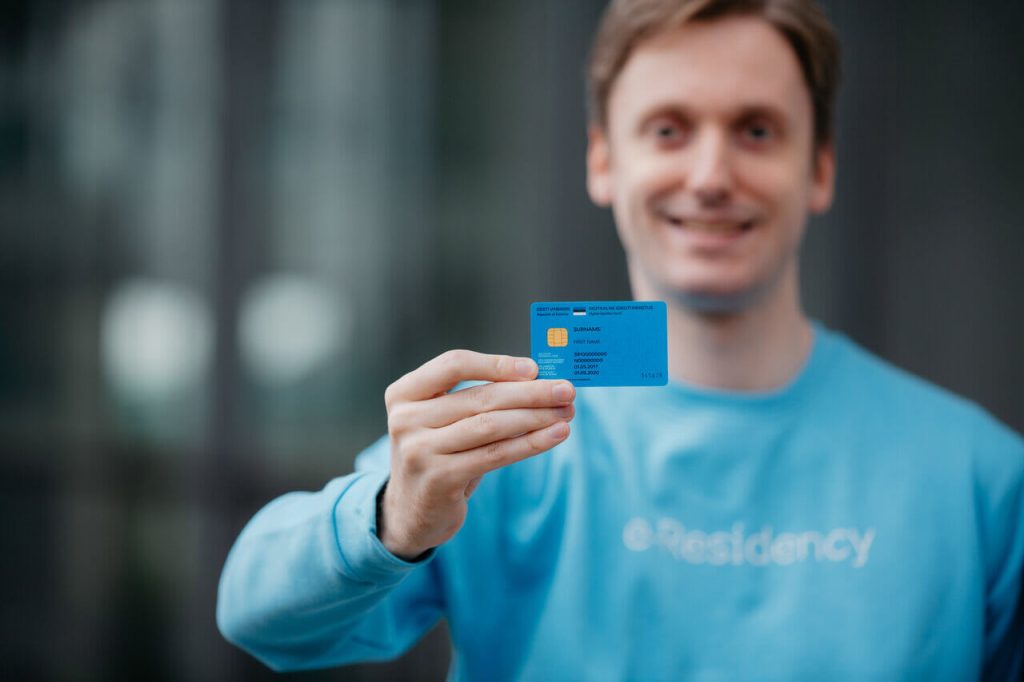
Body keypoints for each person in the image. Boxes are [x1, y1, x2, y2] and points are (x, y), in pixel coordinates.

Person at [216, 0, 1024, 679]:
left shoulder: (980, 482)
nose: (710, 175)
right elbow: (256, 614)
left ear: (819, 169)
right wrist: (389, 517)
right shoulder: (502, 445)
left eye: (756, 131)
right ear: (604, 161)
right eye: (668, 130)